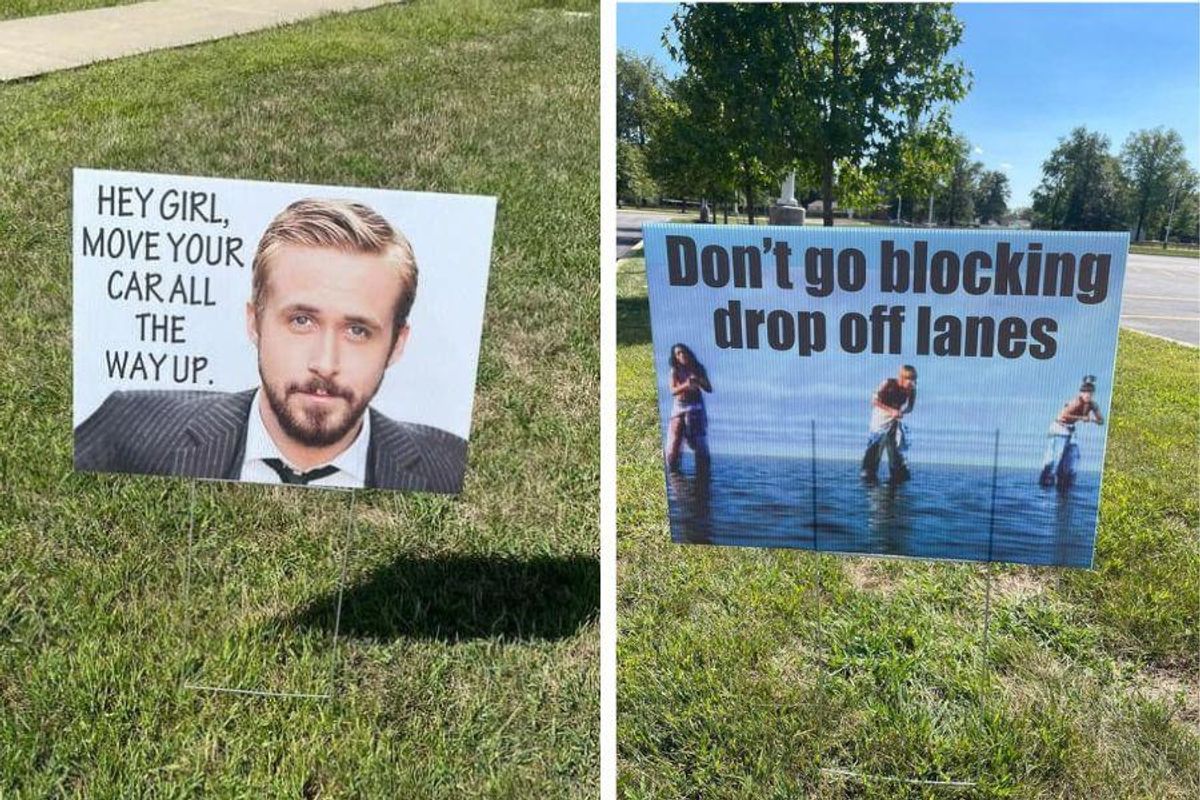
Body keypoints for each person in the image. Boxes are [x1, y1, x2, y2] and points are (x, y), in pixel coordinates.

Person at [75, 198, 467, 493]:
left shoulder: (449, 466)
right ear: (254, 322)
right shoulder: (126, 429)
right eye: (301, 321)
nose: (325, 364)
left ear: (397, 344)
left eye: (358, 331)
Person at [1039, 375, 1104, 489]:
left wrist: (1095, 420)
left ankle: (1064, 484)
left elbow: (1101, 420)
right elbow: (1064, 415)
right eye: (1085, 392)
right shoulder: (1075, 402)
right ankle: (1046, 485)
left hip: (1070, 431)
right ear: (1081, 393)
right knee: (1054, 459)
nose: (1088, 395)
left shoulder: (1093, 405)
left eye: (1090, 392)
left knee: (1072, 457)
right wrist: (1080, 417)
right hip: (1059, 428)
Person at [861, 365, 916, 482]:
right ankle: (868, 473)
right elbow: (874, 401)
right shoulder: (888, 383)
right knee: (875, 446)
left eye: (914, 379)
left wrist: (901, 412)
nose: (912, 383)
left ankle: (897, 473)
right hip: (880, 419)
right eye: (909, 379)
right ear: (901, 378)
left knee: (895, 447)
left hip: (894, 420)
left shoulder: (912, 390)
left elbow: (910, 407)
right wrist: (891, 410)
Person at [664, 343, 711, 473]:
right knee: (673, 444)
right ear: (675, 357)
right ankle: (673, 472)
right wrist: (686, 384)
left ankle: (702, 476)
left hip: (696, 407)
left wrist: (699, 381)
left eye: (683, 352)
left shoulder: (699, 368)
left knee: (699, 444)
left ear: (688, 353)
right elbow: (673, 390)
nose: (681, 355)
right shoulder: (675, 371)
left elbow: (709, 388)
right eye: (678, 354)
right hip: (679, 407)